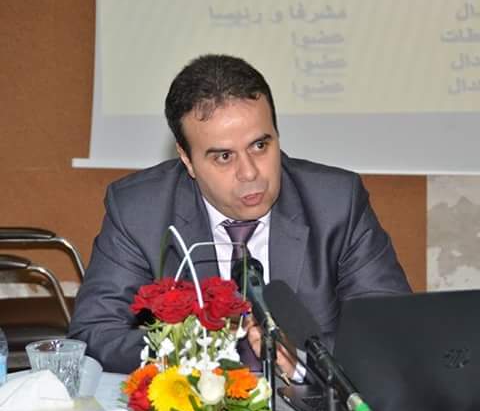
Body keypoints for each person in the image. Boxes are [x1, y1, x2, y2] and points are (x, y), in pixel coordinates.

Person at [69, 54, 411, 375]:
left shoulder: (336, 202)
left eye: (260, 146)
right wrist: (196, 351)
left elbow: (390, 330)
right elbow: (95, 332)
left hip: (312, 407)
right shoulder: (140, 211)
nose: (249, 173)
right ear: (187, 160)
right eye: (224, 157)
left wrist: (303, 361)